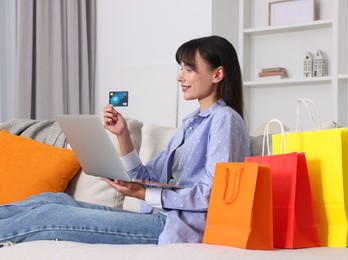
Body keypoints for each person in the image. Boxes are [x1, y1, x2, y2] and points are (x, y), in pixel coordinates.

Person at [0, 35, 250, 245]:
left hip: (176, 229)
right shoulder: (192, 123)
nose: (179, 77)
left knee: (48, 215)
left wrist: (144, 194)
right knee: (53, 200)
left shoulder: (225, 120)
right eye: (180, 68)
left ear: (217, 74)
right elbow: (148, 177)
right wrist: (122, 135)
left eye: (189, 69)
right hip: (160, 216)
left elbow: (216, 194)